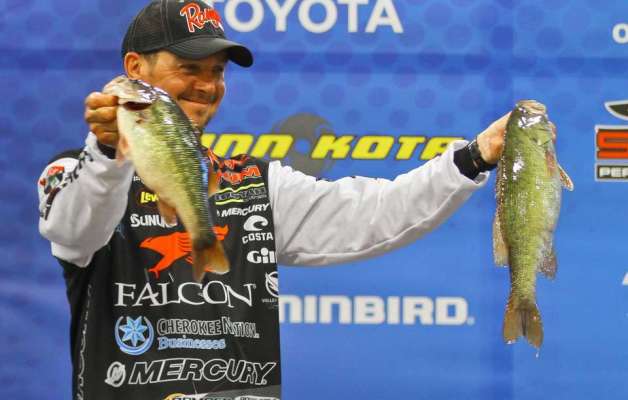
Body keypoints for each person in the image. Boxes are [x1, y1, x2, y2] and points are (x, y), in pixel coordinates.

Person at [37, 1, 509, 399]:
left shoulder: (252, 182)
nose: (206, 85)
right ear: (136, 68)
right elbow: (74, 229)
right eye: (188, 68)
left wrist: (473, 157)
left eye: (216, 71)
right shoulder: (78, 173)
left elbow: (372, 215)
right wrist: (106, 153)